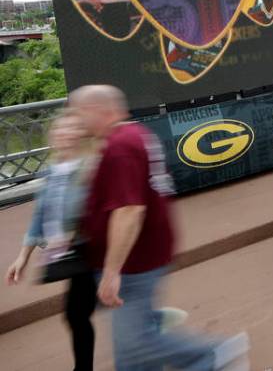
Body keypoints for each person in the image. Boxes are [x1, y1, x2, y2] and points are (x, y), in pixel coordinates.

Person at [72, 85, 249, 370]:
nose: (77, 120)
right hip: (146, 254)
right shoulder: (136, 134)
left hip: (134, 262)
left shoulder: (120, 147)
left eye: (79, 113)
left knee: (134, 344)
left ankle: (214, 354)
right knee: (134, 343)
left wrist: (111, 270)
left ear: (97, 110)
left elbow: (129, 211)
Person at [6, 113, 100, 371]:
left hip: (92, 251)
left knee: (79, 313)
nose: (64, 133)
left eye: (71, 128)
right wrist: (22, 257)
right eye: (60, 129)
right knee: (77, 314)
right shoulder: (53, 171)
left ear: (82, 134)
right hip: (71, 256)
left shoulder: (92, 166)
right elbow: (40, 215)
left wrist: (73, 229)